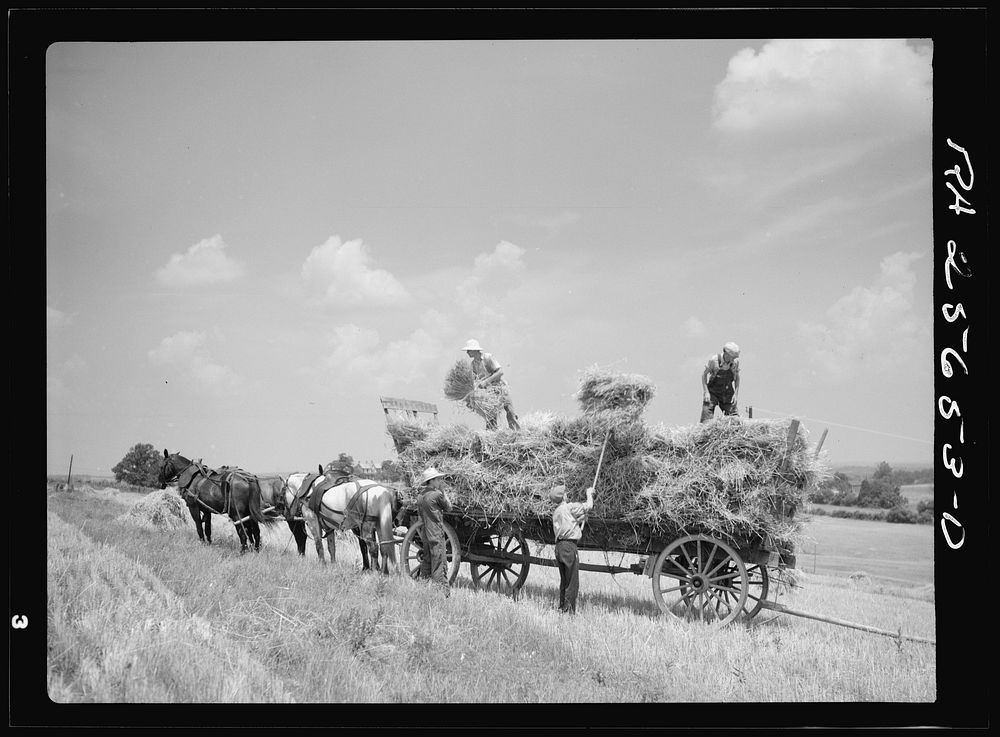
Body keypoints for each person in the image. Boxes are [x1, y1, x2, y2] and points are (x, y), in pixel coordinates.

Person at [549, 483, 595, 614]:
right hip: (569, 547)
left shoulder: (557, 512)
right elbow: (588, 506)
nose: (567, 494)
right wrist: (589, 493)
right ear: (563, 496)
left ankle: (562, 608)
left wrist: (579, 520)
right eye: (565, 493)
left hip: (559, 547)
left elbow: (568, 525)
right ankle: (569, 612)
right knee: (572, 582)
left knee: (565, 580)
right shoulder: (569, 507)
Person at [463, 338, 520, 431]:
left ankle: (516, 433)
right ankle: (491, 436)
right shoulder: (473, 364)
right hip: (490, 393)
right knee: (490, 415)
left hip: (501, 388)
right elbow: (475, 380)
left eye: (468, 350)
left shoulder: (488, 357)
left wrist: (486, 382)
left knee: (510, 412)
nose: (467, 352)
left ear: (474, 350)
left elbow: (500, 372)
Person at [415, 467, 454, 597]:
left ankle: (422, 589)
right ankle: (442, 594)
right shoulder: (436, 495)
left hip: (425, 533)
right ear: (432, 481)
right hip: (436, 533)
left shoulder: (420, 496)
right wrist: (443, 491)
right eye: (438, 479)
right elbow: (449, 507)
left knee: (427, 561)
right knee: (439, 563)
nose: (440, 481)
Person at [700, 342, 741, 423]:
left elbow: (737, 378)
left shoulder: (735, 363)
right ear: (726, 354)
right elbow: (704, 375)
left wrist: (735, 394)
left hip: (727, 392)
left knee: (735, 420)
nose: (734, 359)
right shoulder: (714, 360)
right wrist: (706, 392)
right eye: (732, 357)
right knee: (706, 419)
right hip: (713, 392)